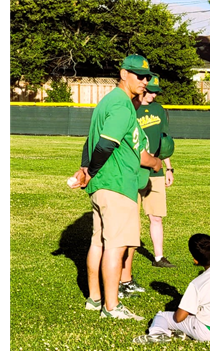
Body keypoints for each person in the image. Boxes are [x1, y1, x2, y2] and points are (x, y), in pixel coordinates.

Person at [69, 54, 163, 320]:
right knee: (116, 246)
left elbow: (90, 142)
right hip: (117, 184)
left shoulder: (107, 101)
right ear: (123, 74)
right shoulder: (122, 106)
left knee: (98, 242)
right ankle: (111, 307)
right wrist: (91, 170)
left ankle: (94, 297)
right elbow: (106, 144)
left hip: (102, 186)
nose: (145, 81)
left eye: (146, 76)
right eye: (139, 76)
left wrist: (86, 169)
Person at [132, 233, 210, 344]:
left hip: (209, 333)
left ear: (195, 260)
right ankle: (180, 333)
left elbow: (179, 318)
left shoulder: (198, 282)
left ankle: (157, 334)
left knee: (162, 316)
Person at [135, 73, 176, 268]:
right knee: (130, 217)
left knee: (156, 216)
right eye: (150, 91)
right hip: (133, 170)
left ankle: (159, 257)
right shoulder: (130, 109)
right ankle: (127, 257)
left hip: (156, 171)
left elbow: (164, 142)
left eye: (156, 92)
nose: (153, 96)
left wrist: (169, 168)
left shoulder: (159, 110)